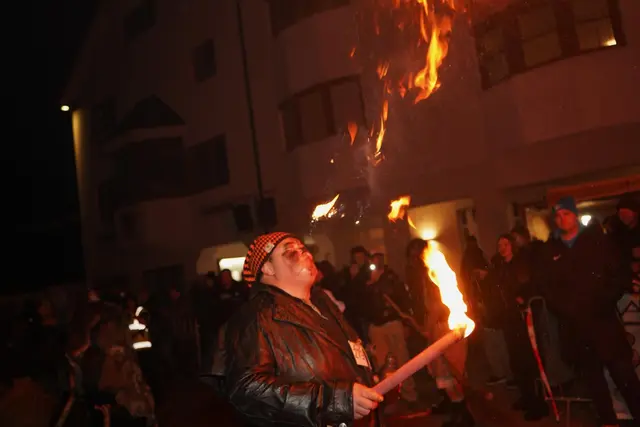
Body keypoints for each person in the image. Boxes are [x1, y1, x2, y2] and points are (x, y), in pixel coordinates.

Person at [225, 232, 383, 427]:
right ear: (268, 268)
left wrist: (373, 378)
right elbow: (249, 389)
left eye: (304, 249)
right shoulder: (256, 317)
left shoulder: (323, 302)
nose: (306, 254)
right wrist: (333, 400)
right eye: (291, 251)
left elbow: (346, 354)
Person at [536, 196, 640, 426]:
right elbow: (547, 287)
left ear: (575, 215)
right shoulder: (551, 250)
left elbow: (618, 275)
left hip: (603, 323)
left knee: (624, 376)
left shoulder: (598, 242)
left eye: (566, 213)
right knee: (594, 381)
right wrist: (566, 309)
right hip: (576, 328)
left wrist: (602, 300)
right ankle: (608, 422)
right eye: (558, 215)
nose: (562, 219)